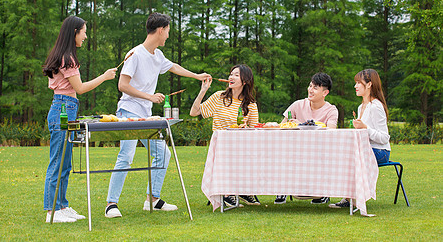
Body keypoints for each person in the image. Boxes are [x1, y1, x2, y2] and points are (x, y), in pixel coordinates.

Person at [105, 12, 211, 218]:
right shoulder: (135, 54)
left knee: (163, 153)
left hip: (146, 115)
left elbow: (174, 67)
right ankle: (111, 204)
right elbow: (122, 85)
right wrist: (149, 96)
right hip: (128, 111)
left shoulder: (158, 56)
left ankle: (152, 199)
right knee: (126, 157)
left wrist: (197, 76)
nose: (168, 36)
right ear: (161, 30)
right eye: (168, 31)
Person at [42, 16, 117, 223]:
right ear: (75, 32)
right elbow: (81, 88)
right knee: (58, 162)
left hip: (65, 108)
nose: (86, 35)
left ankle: (61, 206)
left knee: (65, 163)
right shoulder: (68, 59)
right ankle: (52, 211)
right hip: (63, 109)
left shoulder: (64, 56)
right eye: (84, 31)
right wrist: (104, 76)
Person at [190, 64, 260, 207]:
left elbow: (254, 129)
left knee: (253, 155)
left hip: (241, 144)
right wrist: (203, 91)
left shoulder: (250, 104)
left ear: (245, 81)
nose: (231, 77)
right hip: (221, 144)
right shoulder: (219, 97)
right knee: (232, 156)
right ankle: (227, 193)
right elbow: (194, 112)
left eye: (236, 75)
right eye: (231, 74)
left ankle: (244, 190)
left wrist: (246, 129)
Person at [329, 68, 391, 209]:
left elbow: (384, 137)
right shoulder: (360, 107)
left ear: (369, 84)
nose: (355, 86)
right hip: (366, 150)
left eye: (358, 83)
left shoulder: (376, 106)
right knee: (341, 155)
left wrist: (365, 129)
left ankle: (353, 198)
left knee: (351, 158)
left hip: (381, 152)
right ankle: (349, 197)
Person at [274, 72, 338, 205]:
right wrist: (291, 124)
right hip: (294, 149)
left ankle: (322, 192)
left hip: (319, 150)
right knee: (281, 152)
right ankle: (282, 188)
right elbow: (282, 126)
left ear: (325, 93)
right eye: (310, 86)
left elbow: (331, 132)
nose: (310, 90)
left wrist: (302, 125)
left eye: (315, 88)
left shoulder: (331, 110)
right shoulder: (297, 105)